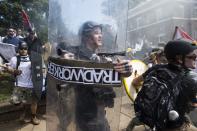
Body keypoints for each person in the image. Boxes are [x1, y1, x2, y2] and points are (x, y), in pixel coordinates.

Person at [57, 21, 132, 131]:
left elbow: (120, 72)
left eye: (101, 33)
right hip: (85, 115)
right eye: (96, 33)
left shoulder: (100, 57)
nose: (100, 35)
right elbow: (62, 52)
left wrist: (127, 69)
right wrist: (64, 58)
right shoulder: (77, 54)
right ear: (87, 36)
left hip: (99, 113)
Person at [127, 40, 197, 131]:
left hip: (151, 120)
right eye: (193, 56)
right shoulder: (191, 79)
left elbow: (135, 82)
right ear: (179, 58)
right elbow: (192, 105)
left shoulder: (156, 68)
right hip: (175, 127)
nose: (195, 59)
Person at [3, 41, 40, 125]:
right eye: (21, 48)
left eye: (25, 48)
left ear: (27, 49)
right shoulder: (14, 59)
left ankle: (33, 117)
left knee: (33, 102)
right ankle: (24, 111)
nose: (23, 50)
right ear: (18, 49)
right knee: (15, 101)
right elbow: (7, 68)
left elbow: (40, 70)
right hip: (19, 85)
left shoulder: (32, 58)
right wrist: (13, 71)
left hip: (31, 85)